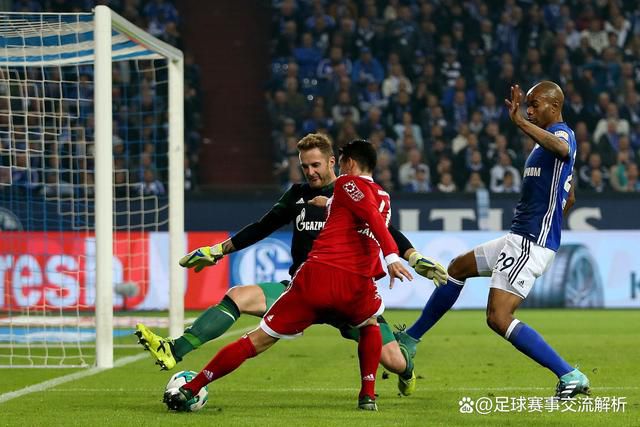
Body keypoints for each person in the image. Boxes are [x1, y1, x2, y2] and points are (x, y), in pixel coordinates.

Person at [136, 133, 446, 396]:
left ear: (332, 162)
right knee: (238, 295)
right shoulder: (297, 195)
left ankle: (408, 364)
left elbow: (384, 227)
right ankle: (174, 350)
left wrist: (411, 256)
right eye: (304, 166)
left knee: (393, 360)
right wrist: (217, 250)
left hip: (347, 293)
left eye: (315, 165)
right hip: (303, 289)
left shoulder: (350, 191)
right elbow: (263, 226)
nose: (310, 172)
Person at [395, 81, 590, 399]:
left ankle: (570, 374)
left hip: (529, 242)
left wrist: (521, 123)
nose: (529, 109)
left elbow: (564, 149)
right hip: (520, 237)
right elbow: (570, 197)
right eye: (527, 105)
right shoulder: (542, 146)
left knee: (498, 317)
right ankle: (412, 339)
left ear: (554, 106)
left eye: (535, 104)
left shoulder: (561, 133)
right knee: (456, 268)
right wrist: (550, 216)